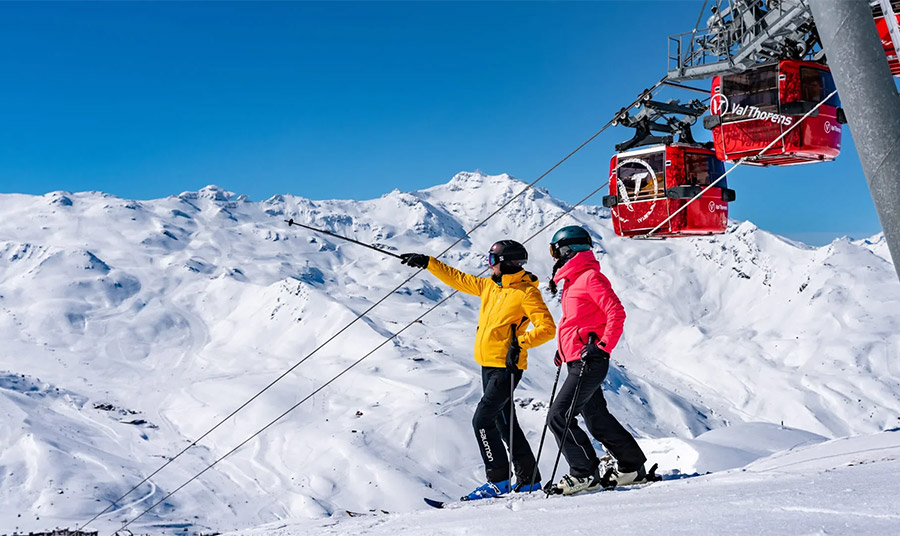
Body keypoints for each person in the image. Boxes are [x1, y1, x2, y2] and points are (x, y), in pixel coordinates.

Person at [399, 240, 556, 500]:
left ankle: (499, 481)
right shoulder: (489, 287)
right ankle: (528, 480)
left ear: (504, 263)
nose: (489, 265)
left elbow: (547, 328)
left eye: (492, 260)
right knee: (505, 424)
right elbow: (458, 278)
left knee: (481, 420)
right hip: (488, 365)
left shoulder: (526, 293)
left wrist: (520, 343)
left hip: (507, 368)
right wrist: (428, 262)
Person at [544, 225, 649, 495]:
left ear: (567, 249)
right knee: (597, 420)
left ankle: (584, 473)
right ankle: (632, 467)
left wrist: (602, 347)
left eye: (555, 251)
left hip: (590, 360)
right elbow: (577, 323)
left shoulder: (590, 278)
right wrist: (564, 350)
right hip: (578, 358)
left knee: (559, 416)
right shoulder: (572, 282)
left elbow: (616, 312)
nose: (554, 256)